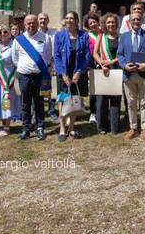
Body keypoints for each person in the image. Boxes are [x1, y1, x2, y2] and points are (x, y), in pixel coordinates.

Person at [117, 12, 145, 141]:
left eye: (138, 19)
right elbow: (119, 55)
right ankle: (133, 127)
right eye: (133, 19)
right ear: (129, 22)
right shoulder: (124, 37)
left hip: (144, 73)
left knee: (144, 102)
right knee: (131, 102)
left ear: (142, 21)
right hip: (129, 74)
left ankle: (144, 128)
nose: (136, 21)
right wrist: (124, 66)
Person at [13, 14, 53, 141]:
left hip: (39, 76)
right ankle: (26, 129)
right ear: (24, 25)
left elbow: (47, 56)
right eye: (28, 23)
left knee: (39, 103)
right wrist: (25, 68)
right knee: (25, 103)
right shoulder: (18, 40)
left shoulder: (45, 38)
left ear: (37, 23)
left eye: (33, 22)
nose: (31, 25)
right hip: (24, 76)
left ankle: (40, 127)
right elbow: (15, 59)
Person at [54, 11, 90, 142]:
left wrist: (79, 72)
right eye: (67, 18)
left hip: (77, 75)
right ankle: (62, 128)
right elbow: (57, 56)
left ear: (76, 20)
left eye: (72, 18)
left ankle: (72, 127)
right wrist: (63, 74)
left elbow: (86, 55)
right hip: (63, 74)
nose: (69, 20)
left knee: (74, 100)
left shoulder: (84, 35)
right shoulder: (59, 36)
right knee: (63, 100)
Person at [0, 24, 22, 137]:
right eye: (0, 32)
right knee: (0, 101)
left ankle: (7, 127)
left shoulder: (14, 45)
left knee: (8, 100)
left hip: (10, 77)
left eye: (5, 32)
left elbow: (18, 61)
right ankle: (3, 125)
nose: (3, 34)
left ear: (9, 33)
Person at [93, 13, 122, 135]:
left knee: (115, 99)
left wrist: (112, 61)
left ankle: (114, 126)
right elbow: (95, 53)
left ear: (116, 24)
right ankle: (102, 126)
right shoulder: (101, 36)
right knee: (101, 101)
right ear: (105, 24)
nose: (111, 24)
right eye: (108, 22)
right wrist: (102, 64)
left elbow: (123, 54)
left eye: (113, 22)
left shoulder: (121, 37)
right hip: (103, 71)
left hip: (116, 71)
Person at [38, 13, 58, 122]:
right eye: (40, 19)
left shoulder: (54, 33)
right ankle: (39, 111)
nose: (43, 21)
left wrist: (53, 65)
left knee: (52, 90)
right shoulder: (35, 34)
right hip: (39, 67)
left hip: (52, 65)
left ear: (48, 20)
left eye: (45, 19)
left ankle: (52, 111)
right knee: (39, 90)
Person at [85, 13, 102, 125]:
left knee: (105, 90)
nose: (93, 24)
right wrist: (86, 69)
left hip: (104, 65)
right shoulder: (86, 36)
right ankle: (93, 113)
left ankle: (103, 111)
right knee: (94, 91)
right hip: (91, 66)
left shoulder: (103, 34)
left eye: (94, 22)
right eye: (90, 23)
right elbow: (85, 53)